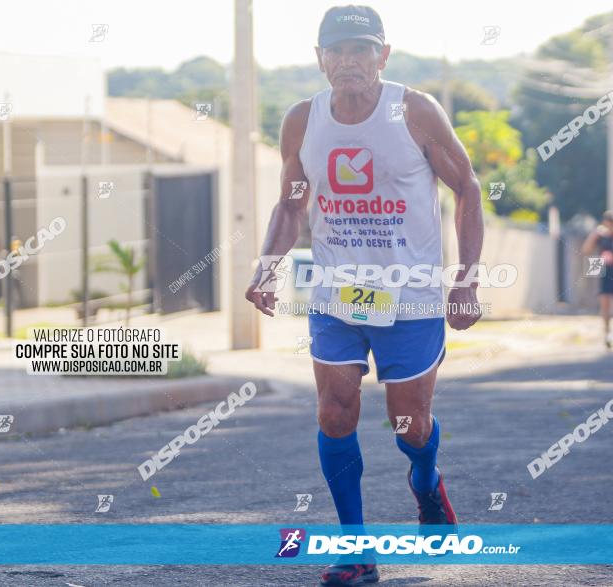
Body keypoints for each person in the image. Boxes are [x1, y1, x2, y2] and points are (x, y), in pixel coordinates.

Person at [244, 6, 484, 585]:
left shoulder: (415, 110)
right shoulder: (303, 120)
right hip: (339, 294)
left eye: (361, 49)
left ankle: (427, 485)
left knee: (410, 425)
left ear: (384, 55)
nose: (348, 61)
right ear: (319, 57)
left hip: (410, 296)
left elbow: (468, 188)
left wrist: (468, 278)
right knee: (334, 409)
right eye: (337, 50)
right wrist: (268, 264)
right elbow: (292, 201)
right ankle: (356, 548)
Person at [581, 211, 613, 349]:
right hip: (603, 271)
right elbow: (586, 250)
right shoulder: (601, 237)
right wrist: (593, 235)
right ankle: (607, 334)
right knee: (604, 303)